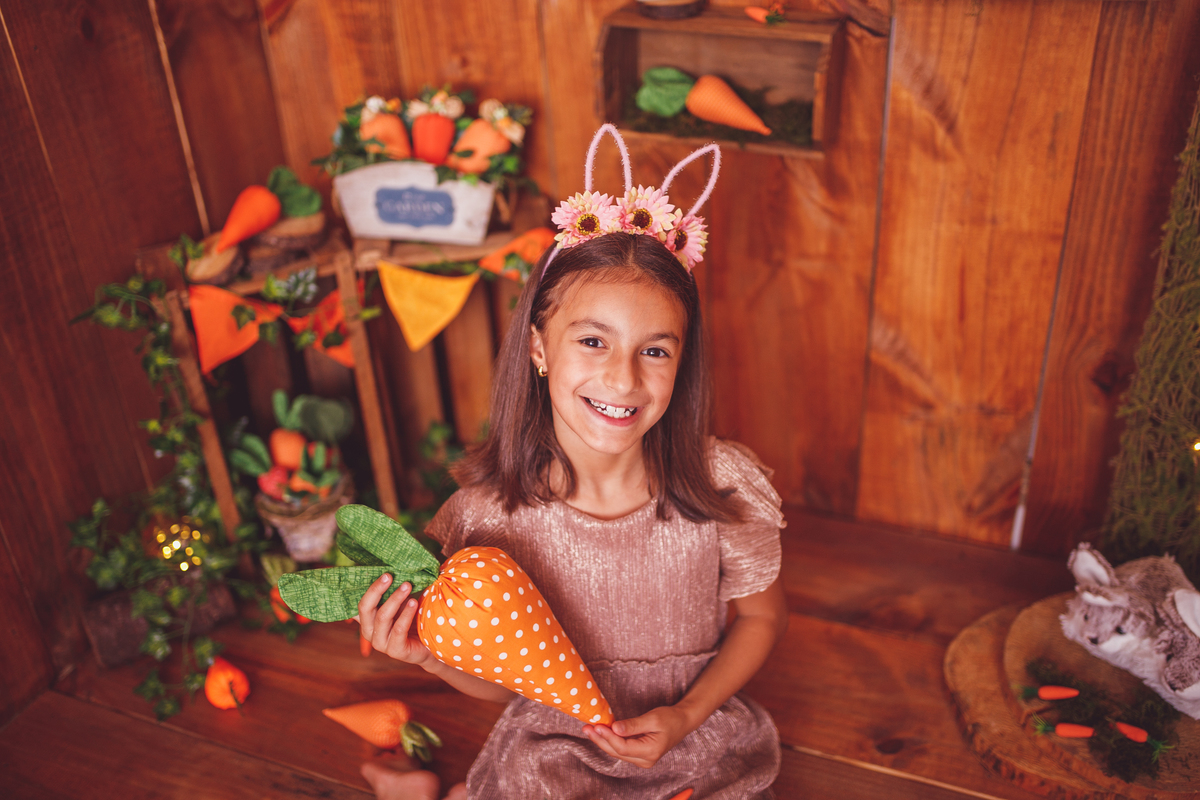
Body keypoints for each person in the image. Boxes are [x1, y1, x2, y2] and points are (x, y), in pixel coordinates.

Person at [356, 126, 788, 800]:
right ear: (538, 349)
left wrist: (685, 715)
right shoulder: (484, 521)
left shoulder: (721, 483)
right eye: (593, 341)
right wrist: (428, 657)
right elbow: (500, 680)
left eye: (655, 351)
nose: (622, 381)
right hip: (558, 752)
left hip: (694, 738)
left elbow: (761, 618)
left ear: (682, 363)